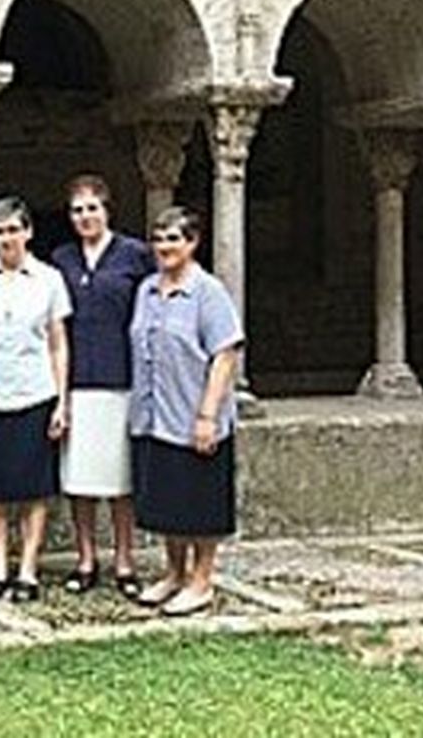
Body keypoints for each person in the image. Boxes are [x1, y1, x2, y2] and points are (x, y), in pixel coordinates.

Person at [128, 205, 243, 617]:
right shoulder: (146, 290)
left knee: (199, 502)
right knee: (167, 501)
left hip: (193, 413)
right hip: (153, 413)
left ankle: (201, 581)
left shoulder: (207, 291)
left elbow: (225, 355)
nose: (164, 247)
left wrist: (208, 415)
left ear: (192, 243)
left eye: (173, 238)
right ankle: (174, 573)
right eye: (158, 239)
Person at [0, 195, 72, 603]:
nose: (6, 238)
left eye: (12, 230)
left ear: (28, 232)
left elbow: (58, 343)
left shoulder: (49, 279)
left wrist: (61, 401)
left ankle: (28, 570)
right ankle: (0, 566)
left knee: (33, 489)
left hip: (33, 393)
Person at [51, 175, 152, 598]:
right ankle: (86, 558)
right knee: (81, 479)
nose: (85, 217)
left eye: (92, 208)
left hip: (121, 379)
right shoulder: (62, 259)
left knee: (119, 480)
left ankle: (125, 559)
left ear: (107, 210)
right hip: (76, 382)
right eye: (77, 210)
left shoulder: (133, 255)